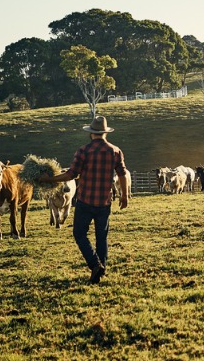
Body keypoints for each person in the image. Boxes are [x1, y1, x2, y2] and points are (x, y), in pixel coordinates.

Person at [40, 115, 128, 284]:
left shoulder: (83, 151)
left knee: (79, 233)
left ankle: (95, 264)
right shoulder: (115, 151)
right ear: (105, 133)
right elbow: (123, 174)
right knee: (101, 237)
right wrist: (124, 196)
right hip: (104, 201)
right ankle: (100, 271)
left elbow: (71, 174)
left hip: (85, 200)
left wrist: (49, 179)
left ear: (91, 133)